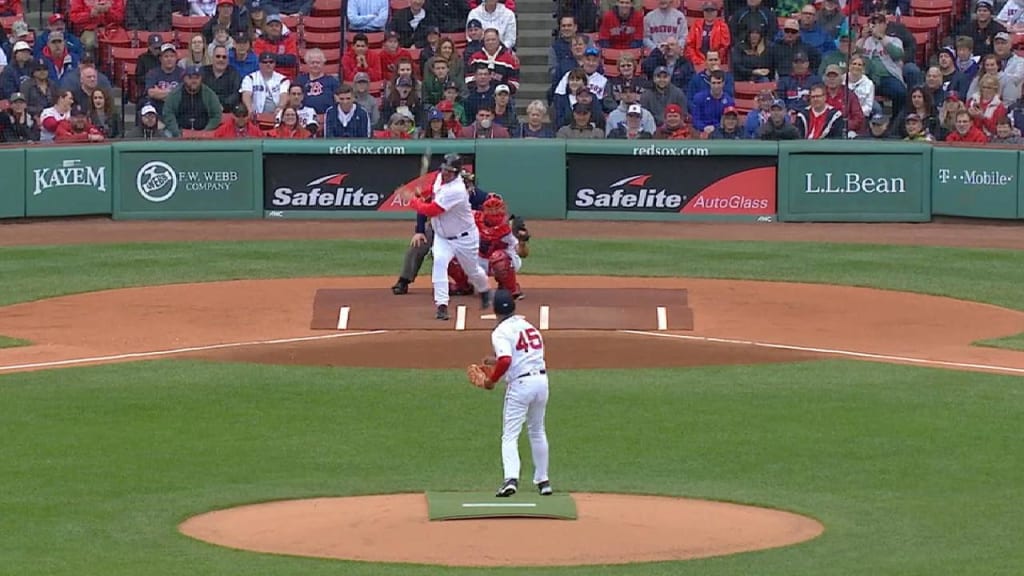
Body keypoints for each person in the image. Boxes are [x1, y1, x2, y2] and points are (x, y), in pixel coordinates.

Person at [474, 288, 552, 498]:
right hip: (541, 382)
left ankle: (511, 479)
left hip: (521, 386)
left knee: (510, 435)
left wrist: (492, 380)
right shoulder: (529, 327)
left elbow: (507, 360)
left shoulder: (500, 331)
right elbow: (521, 355)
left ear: (495, 309)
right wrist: (494, 361)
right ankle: (543, 481)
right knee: (537, 431)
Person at [407, 153, 492, 320]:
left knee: (472, 271)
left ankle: (485, 291)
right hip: (442, 237)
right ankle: (442, 305)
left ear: (457, 173)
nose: (446, 174)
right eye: (444, 170)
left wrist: (413, 201)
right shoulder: (440, 178)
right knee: (439, 264)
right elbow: (433, 190)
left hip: (465, 238)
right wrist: (422, 193)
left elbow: (432, 210)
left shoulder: (457, 190)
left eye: (450, 172)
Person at [391, 168, 487, 295]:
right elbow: (425, 208)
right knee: (419, 244)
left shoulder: (475, 195)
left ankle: (474, 283)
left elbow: (492, 205)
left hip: (464, 231)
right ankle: (403, 280)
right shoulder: (441, 192)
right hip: (438, 227)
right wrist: (419, 231)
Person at [164, 65, 223, 136]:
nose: (194, 81)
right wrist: (177, 132)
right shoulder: (175, 94)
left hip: (204, 132)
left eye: (197, 78)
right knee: (167, 133)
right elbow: (168, 113)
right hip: (180, 132)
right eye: (190, 77)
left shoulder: (209, 94)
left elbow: (216, 115)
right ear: (184, 78)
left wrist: (205, 131)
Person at [684, 2, 731, 68]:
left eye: (712, 11)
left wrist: (713, 60)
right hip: (698, 61)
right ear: (703, 12)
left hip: (715, 61)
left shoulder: (723, 26)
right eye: (707, 11)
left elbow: (724, 47)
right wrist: (696, 60)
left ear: (716, 12)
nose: (709, 13)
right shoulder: (696, 25)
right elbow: (690, 45)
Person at [203, 45, 242, 110]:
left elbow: (236, 94)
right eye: (218, 56)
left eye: (224, 57)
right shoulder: (203, 71)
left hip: (227, 110)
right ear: (212, 58)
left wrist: (222, 105)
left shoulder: (234, 73)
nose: (221, 59)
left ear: (228, 59)